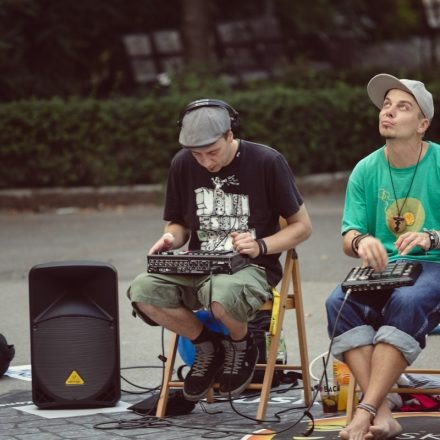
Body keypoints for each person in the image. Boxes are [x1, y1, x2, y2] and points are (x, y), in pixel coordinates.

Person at [127, 99, 312, 402]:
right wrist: (171, 239)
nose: (206, 163)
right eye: (197, 154)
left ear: (230, 134)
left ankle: (242, 343)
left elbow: (302, 227)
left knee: (220, 296)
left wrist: (261, 245)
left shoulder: (267, 161)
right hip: (199, 266)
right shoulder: (182, 163)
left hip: (251, 268)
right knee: (142, 291)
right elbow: (178, 224)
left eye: (212, 152)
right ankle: (207, 346)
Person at [325, 74, 440, 440]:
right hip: (385, 269)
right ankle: (384, 412)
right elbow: (349, 234)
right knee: (336, 303)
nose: (388, 112)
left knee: (406, 300)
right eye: (386, 105)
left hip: (435, 265)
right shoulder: (366, 169)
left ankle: (365, 411)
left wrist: (431, 236)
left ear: (423, 124)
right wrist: (361, 243)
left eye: (402, 106)